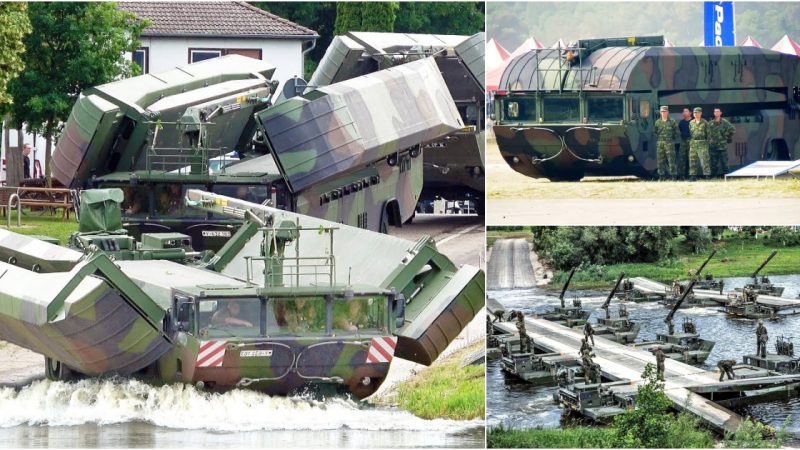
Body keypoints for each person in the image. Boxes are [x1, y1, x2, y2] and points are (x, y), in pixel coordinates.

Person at [707, 108, 735, 178]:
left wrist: (725, 135)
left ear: (720, 113)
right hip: (713, 147)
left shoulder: (725, 122)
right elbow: (707, 133)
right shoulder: (710, 123)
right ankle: (713, 177)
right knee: (713, 164)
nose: (716, 113)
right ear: (714, 113)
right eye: (715, 112)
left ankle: (727, 177)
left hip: (722, 147)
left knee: (724, 163)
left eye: (717, 111)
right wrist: (709, 140)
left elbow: (732, 129)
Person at [654, 106, 678, 179]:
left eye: (664, 111)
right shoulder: (657, 122)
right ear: (660, 113)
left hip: (669, 143)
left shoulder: (672, 121)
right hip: (660, 143)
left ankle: (673, 176)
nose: (663, 113)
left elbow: (676, 132)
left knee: (671, 160)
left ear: (667, 112)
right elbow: (655, 132)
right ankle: (661, 176)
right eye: (662, 112)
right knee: (660, 160)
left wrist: (670, 139)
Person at [688, 107, 711, 180]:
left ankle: (707, 175)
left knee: (704, 160)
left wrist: (706, 143)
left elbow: (709, 134)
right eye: (694, 113)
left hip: (702, 143)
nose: (696, 114)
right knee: (692, 160)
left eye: (697, 112)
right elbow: (691, 132)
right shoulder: (691, 122)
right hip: (693, 143)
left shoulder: (705, 122)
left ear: (701, 113)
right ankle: (693, 176)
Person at [677, 108, 692, 179]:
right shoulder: (681, 122)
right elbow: (680, 130)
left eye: (686, 111)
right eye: (683, 111)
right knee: (682, 158)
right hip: (683, 141)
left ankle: (691, 175)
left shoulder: (693, 122)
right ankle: (682, 175)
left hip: (691, 141)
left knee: (691, 158)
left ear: (690, 113)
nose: (684, 113)